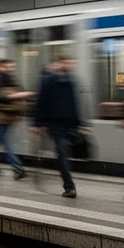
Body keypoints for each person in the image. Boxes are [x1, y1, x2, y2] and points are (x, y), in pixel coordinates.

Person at [33, 56, 84, 198]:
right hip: (55, 124)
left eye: (71, 63)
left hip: (70, 124)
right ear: (60, 64)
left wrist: (80, 123)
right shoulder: (49, 80)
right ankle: (69, 186)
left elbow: (74, 102)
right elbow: (41, 102)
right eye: (67, 63)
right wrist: (38, 123)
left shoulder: (71, 80)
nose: (70, 65)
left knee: (66, 154)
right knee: (62, 154)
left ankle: (68, 183)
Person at [0, 59, 30, 180]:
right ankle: (17, 167)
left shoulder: (9, 78)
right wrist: (10, 97)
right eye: (6, 67)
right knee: (6, 142)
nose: (9, 69)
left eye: (10, 67)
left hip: (6, 116)